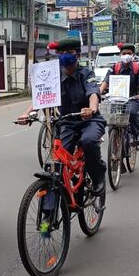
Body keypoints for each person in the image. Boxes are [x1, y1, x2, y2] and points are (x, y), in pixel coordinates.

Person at [18, 36, 106, 195]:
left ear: (77, 54)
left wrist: (91, 109)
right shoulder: (53, 76)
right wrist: (27, 113)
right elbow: (41, 97)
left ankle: (98, 176)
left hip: (89, 120)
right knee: (56, 163)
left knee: (88, 141)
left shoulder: (86, 73)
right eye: (62, 52)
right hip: (67, 123)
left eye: (69, 52)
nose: (65, 55)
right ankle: (47, 216)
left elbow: (94, 93)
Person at [99, 43, 139, 147]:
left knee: (133, 113)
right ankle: (115, 144)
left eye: (129, 53)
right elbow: (105, 81)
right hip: (116, 97)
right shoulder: (115, 67)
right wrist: (97, 94)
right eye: (124, 53)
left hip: (133, 97)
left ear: (133, 54)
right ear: (120, 54)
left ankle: (136, 134)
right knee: (113, 120)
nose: (126, 55)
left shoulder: (138, 67)